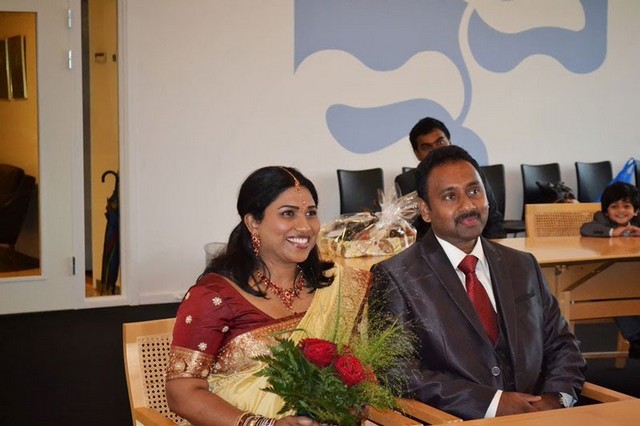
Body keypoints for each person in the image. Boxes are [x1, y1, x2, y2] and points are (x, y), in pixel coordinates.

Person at [370, 145, 586, 420]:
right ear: (425, 210)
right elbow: (395, 370)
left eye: (474, 191)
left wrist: (555, 399)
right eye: (450, 196)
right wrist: (491, 404)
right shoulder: (396, 276)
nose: (468, 206)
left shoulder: (522, 265)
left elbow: (563, 345)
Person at [166, 166, 370, 426]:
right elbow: (181, 393)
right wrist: (265, 425)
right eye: (288, 213)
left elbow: (357, 368)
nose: (305, 227)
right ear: (253, 222)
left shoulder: (334, 288)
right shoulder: (215, 297)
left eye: (311, 213)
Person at [395, 117, 506, 239]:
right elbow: (411, 232)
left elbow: (493, 220)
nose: (436, 150)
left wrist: (493, 248)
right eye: (426, 147)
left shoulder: (472, 173)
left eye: (440, 143)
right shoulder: (407, 183)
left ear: (450, 142)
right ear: (417, 154)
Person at [580, 181, 640, 358]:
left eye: (626, 206)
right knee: (619, 302)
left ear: (635, 211)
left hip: (632, 279)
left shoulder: (637, 222)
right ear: (606, 211)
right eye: (614, 206)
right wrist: (614, 233)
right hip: (604, 282)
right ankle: (636, 339)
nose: (621, 211)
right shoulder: (601, 220)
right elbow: (586, 228)